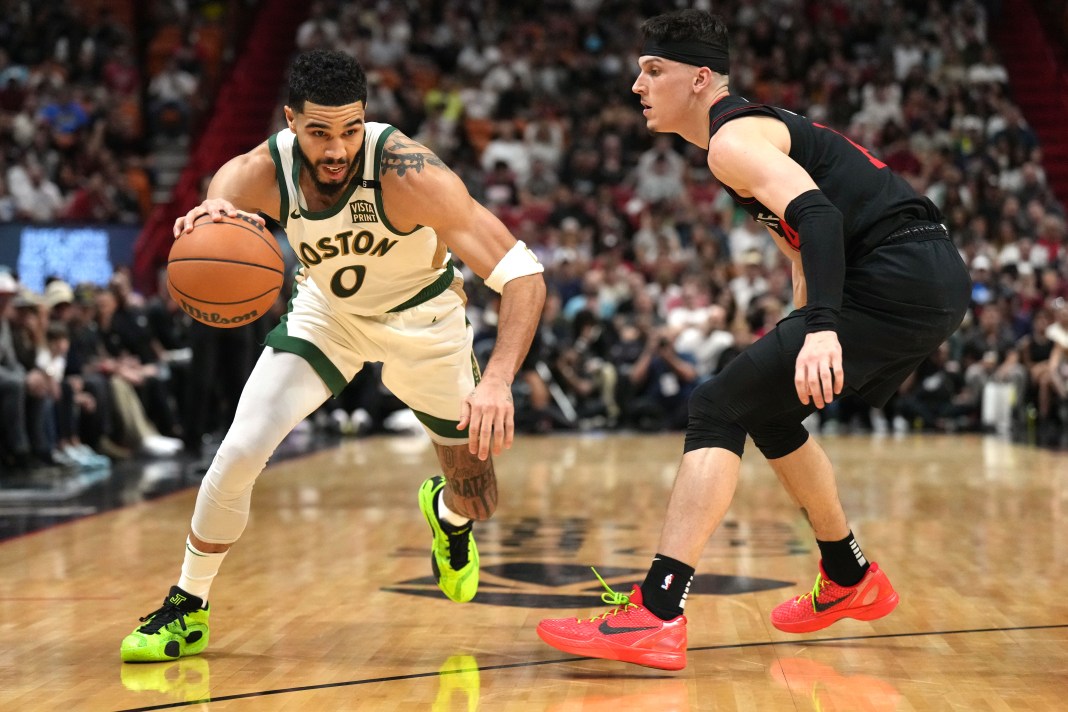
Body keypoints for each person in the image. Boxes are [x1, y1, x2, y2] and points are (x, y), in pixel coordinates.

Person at [537, 10, 970, 670]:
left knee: (715, 403)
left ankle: (656, 612)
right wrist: (799, 329)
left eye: (654, 70)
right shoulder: (745, 137)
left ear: (700, 78)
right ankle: (849, 577)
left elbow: (818, 216)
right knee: (765, 408)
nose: (637, 85)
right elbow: (801, 250)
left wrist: (822, 328)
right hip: (920, 275)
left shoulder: (731, 140)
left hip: (895, 272)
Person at [121, 50, 545, 662]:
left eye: (350, 129)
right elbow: (224, 187)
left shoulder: (410, 172)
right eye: (320, 132)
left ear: (365, 119)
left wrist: (499, 379)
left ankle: (447, 517)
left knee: (479, 496)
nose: (338, 148)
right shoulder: (269, 170)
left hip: (425, 322)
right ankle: (188, 605)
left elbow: (524, 275)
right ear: (292, 121)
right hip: (329, 317)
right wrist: (215, 211)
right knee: (239, 449)